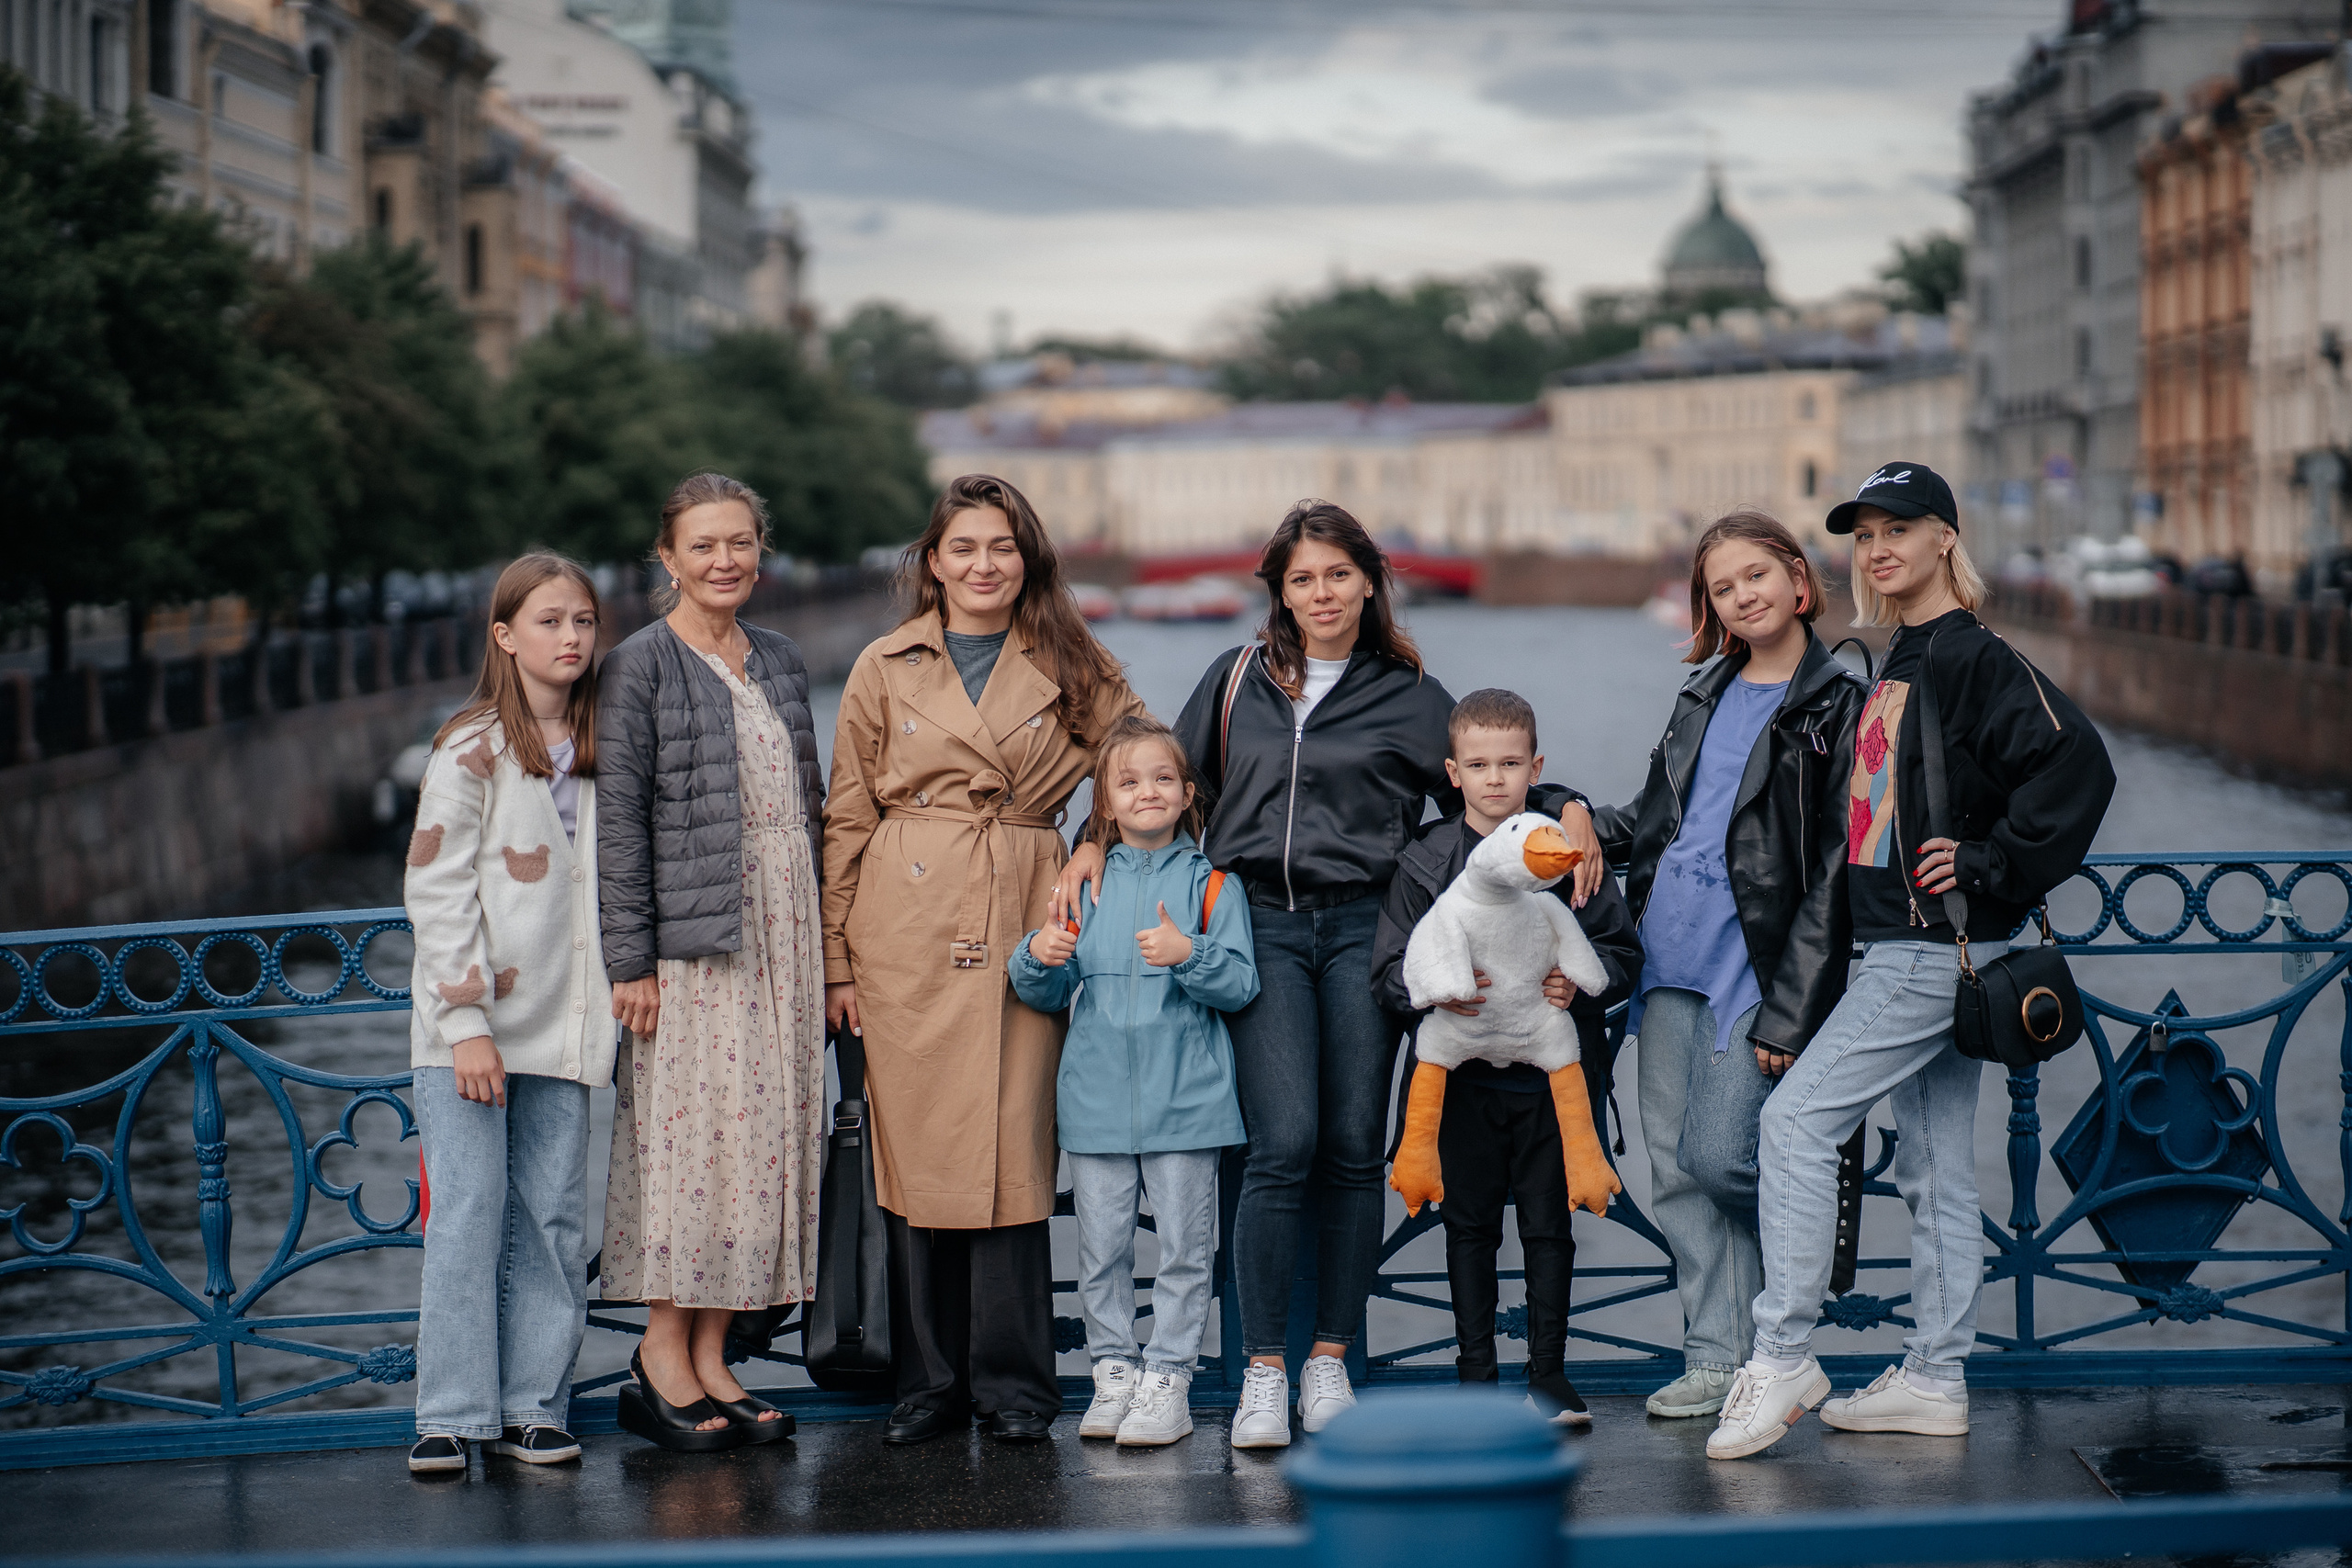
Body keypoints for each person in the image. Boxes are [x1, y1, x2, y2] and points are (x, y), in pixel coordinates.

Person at [1153, 501, 1597, 1450]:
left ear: (1368, 581)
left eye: (1338, 575)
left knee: (1355, 1144)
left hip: (1367, 929)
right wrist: (1090, 855)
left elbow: (1490, 788)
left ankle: (1328, 1359)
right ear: (1279, 586)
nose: (1321, 593)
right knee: (1284, 1141)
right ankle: (1263, 1372)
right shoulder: (1233, 679)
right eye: (1302, 577)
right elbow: (1164, 783)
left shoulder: (1408, 693)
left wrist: (1572, 804)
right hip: (1257, 927)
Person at [1708, 462, 2114, 1461]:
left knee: (1797, 1122)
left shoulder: (1972, 655)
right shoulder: (1898, 658)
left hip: (1934, 950)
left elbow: (2078, 765)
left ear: (1945, 539)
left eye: (1900, 530)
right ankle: (1935, 1375)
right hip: (1905, 944)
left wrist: (1993, 864)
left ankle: (1784, 1353)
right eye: (1864, 535)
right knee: (1934, 1170)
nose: (1879, 549)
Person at [821, 473, 1146, 1445]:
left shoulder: (1071, 658)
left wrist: (1097, 839)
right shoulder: (883, 664)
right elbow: (846, 814)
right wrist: (837, 961)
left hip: (1020, 909)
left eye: (1000, 546)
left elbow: (1142, 763)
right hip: (904, 919)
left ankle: (1014, 1389)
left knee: (1010, 1149)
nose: (982, 565)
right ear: (932, 561)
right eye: (962, 548)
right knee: (916, 1155)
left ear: (1026, 556)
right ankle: (925, 1385)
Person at [1586, 510, 1867, 1422]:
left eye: (1756, 575)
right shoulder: (1703, 690)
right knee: (1672, 1171)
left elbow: (1832, 870)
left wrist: (1794, 1007)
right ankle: (1721, 1359)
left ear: (1795, 577)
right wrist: (1571, 810)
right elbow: (1654, 816)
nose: (1741, 596)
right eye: (1720, 586)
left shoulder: (1839, 700)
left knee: (1721, 1157)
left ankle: (1801, 1270)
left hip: (1759, 967)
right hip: (1664, 954)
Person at [597, 472, 825, 1452]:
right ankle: (659, 1360)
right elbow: (620, 824)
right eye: (703, 546)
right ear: (668, 558)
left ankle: (711, 1358)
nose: (724, 561)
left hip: (786, 936)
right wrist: (630, 959)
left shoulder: (778, 656)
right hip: (695, 949)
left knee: (756, 1151)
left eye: (739, 543)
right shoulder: (640, 664)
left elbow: (810, 806)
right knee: (691, 1152)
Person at [1368, 688, 1640, 1428]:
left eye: (1511, 763)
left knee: (1550, 1227)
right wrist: (1430, 992)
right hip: (1461, 1085)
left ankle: (1549, 1376)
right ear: (1453, 772)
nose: (1496, 778)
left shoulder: (1563, 853)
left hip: (1553, 1082)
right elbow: (1388, 971)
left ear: (1536, 768)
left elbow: (1619, 952)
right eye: (1480, 764)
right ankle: (1476, 1381)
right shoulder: (1424, 861)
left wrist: (1579, 985)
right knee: (1470, 1228)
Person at [402, 553, 612, 1475]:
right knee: (468, 1214)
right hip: (471, 1034)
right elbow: (436, 888)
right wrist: (466, 1025)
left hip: (568, 1028)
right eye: (549, 622)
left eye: (583, 622)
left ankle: (534, 1404)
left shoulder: (609, 744)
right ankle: (450, 1413)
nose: (570, 638)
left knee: (554, 1218)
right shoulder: (472, 746)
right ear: (505, 636)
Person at [1008, 715, 1257, 1448]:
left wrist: (1189, 953)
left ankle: (1170, 1377)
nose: (1147, 791)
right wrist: (1038, 953)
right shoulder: (1085, 886)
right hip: (1095, 1101)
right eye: (1128, 781)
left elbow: (1240, 984)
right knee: (1102, 1250)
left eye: (1162, 778)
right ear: (1106, 805)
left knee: (1184, 1248)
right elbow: (1046, 995)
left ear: (1187, 794)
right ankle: (1114, 1369)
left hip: (1190, 1103)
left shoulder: (1214, 887)